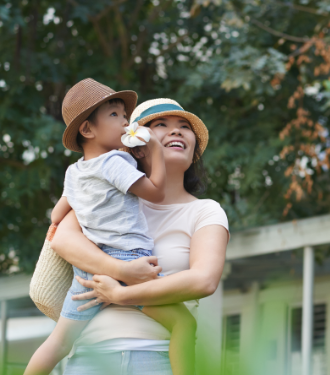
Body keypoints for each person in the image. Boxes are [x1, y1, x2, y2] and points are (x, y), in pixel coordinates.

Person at [25, 80, 199, 375]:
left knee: (58, 343)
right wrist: (154, 151)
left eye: (125, 116)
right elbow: (155, 192)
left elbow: (57, 216)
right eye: (116, 115)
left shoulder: (75, 171)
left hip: (87, 273)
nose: (125, 123)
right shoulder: (116, 162)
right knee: (184, 324)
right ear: (88, 130)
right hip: (129, 258)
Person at [50, 97, 228, 375]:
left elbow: (203, 280)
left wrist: (122, 294)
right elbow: (62, 240)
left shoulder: (206, 212)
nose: (176, 130)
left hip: (157, 360)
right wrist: (122, 270)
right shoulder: (105, 197)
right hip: (91, 360)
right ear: (131, 143)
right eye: (160, 124)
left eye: (184, 126)